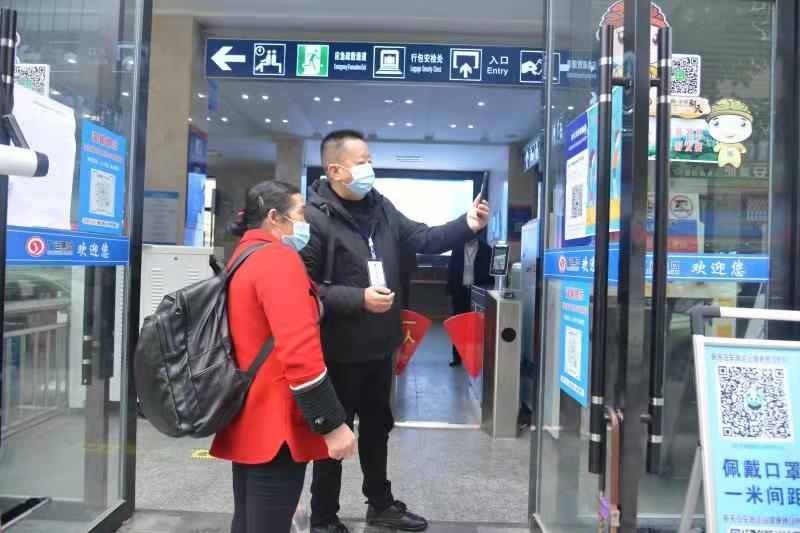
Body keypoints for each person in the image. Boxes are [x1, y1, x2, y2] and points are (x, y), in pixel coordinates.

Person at [301, 130, 490, 532]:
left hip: (379, 347)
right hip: (338, 351)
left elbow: (424, 237)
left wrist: (467, 224)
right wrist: (359, 299)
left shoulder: (381, 208)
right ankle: (323, 518)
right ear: (335, 171)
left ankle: (381, 504)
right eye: (361, 162)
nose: (369, 168)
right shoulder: (314, 218)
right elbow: (306, 288)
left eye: (370, 159)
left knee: (377, 429)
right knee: (334, 434)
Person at [210, 181, 357, 533]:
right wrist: (331, 424)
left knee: (248, 520)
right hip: (277, 427)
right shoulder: (278, 259)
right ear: (274, 217)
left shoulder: (244, 255)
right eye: (300, 214)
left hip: (248, 415)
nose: (305, 223)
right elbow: (299, 349)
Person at [446, 228, 493, 367]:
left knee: (476, 325)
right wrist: (450, 291)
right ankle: (456, 356)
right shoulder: (457, 247)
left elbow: (489, 276)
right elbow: (451, 270)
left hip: (477, 292)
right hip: (460, 291)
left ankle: (474, 356)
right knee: (458, 325)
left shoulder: (486, 250)